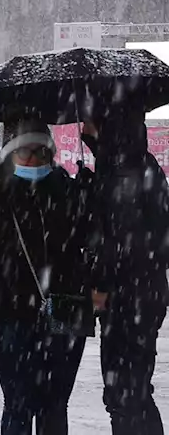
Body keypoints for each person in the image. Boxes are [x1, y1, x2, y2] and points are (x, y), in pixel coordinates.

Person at [0, 116, 92, 434]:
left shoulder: (71, 196)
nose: (34, 160)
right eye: (26, 152)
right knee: (18, 405)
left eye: (41, 152)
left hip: (64, 315)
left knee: (54, 408)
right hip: (10, 317)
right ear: (10, 154)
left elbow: (93, 244)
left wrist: (90, 193)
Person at [85, 113, 169, 435]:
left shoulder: (121, 175)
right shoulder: (141, 167)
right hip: (144, 295)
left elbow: (116, 241)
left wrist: (102, 285)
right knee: (136, 390)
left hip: (126, 298)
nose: (82, 129)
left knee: (122, 394)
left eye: (89, 123)